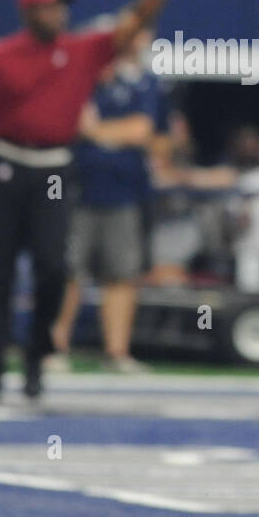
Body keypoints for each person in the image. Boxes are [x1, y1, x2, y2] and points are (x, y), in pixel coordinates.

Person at [0, 0, 172, 404]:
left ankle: (37, 355)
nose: (58, 13)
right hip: (5, 165)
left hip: (55, 170)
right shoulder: (1, 56)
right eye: (49, 6)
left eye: (61, 6)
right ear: (28, 11)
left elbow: (138, 17)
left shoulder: (82, 50)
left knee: (54, 268)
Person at [51, 29, 162, 372]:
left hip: (123, 192)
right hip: (76, 189)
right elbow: (66, 123)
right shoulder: (78, 79)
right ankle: (54, 349)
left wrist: (97, 131)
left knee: (122, 274)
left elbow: (142, 131)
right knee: (68, 271)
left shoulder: (144, 83)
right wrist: (112, 132)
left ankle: (116, 352)